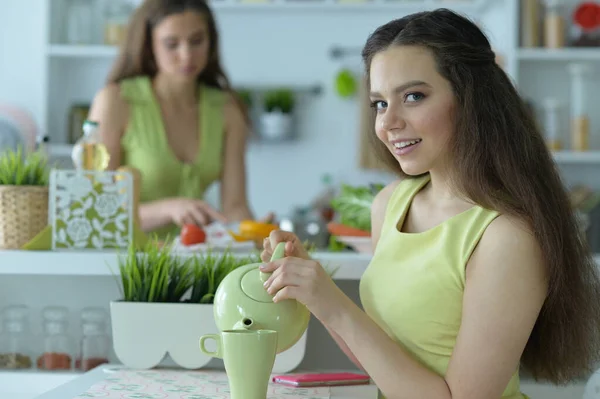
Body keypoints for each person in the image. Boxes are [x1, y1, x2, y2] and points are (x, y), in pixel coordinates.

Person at [259, 9, 600, 399]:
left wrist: (333, 303)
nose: (388, 123)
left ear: (470, 99)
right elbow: (387, 363)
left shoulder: (506, 237)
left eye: (413, 96)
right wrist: (315, 291)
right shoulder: (390, 204)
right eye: (379, 104)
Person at [88, 0, 269, 238]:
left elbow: (235, 206)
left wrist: (255, 232)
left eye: (196, 41)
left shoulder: (227, 109)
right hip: (124, 263)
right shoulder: (116, 102)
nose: (186, 56)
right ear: (149, 46)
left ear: (211, 42)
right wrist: (167, 209)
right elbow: (93, 208)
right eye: (171, 44)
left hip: (195, 261)